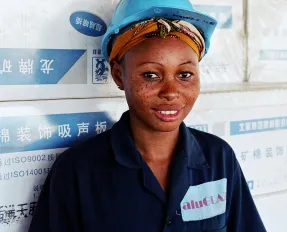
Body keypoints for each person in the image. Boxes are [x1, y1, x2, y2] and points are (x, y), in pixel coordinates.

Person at [29, 0, 266, 231]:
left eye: (184, 74)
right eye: (151, 75)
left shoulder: (218, 158)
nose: (171, 92)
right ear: (119, 75)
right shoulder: (77, 171)